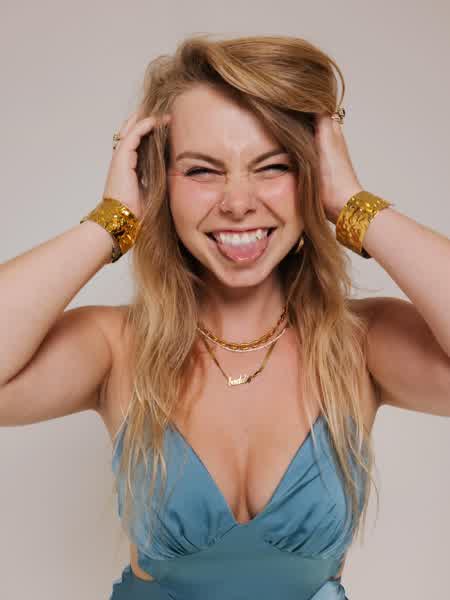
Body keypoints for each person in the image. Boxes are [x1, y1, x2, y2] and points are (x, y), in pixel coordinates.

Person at [1, 34, 449, 600]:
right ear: (158, 182)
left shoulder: (360, 345)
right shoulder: (116, 347)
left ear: (312, 175)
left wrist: (352, 203)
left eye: (273, 166)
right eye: (202, 171)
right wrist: (112, 221)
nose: (238, 203)